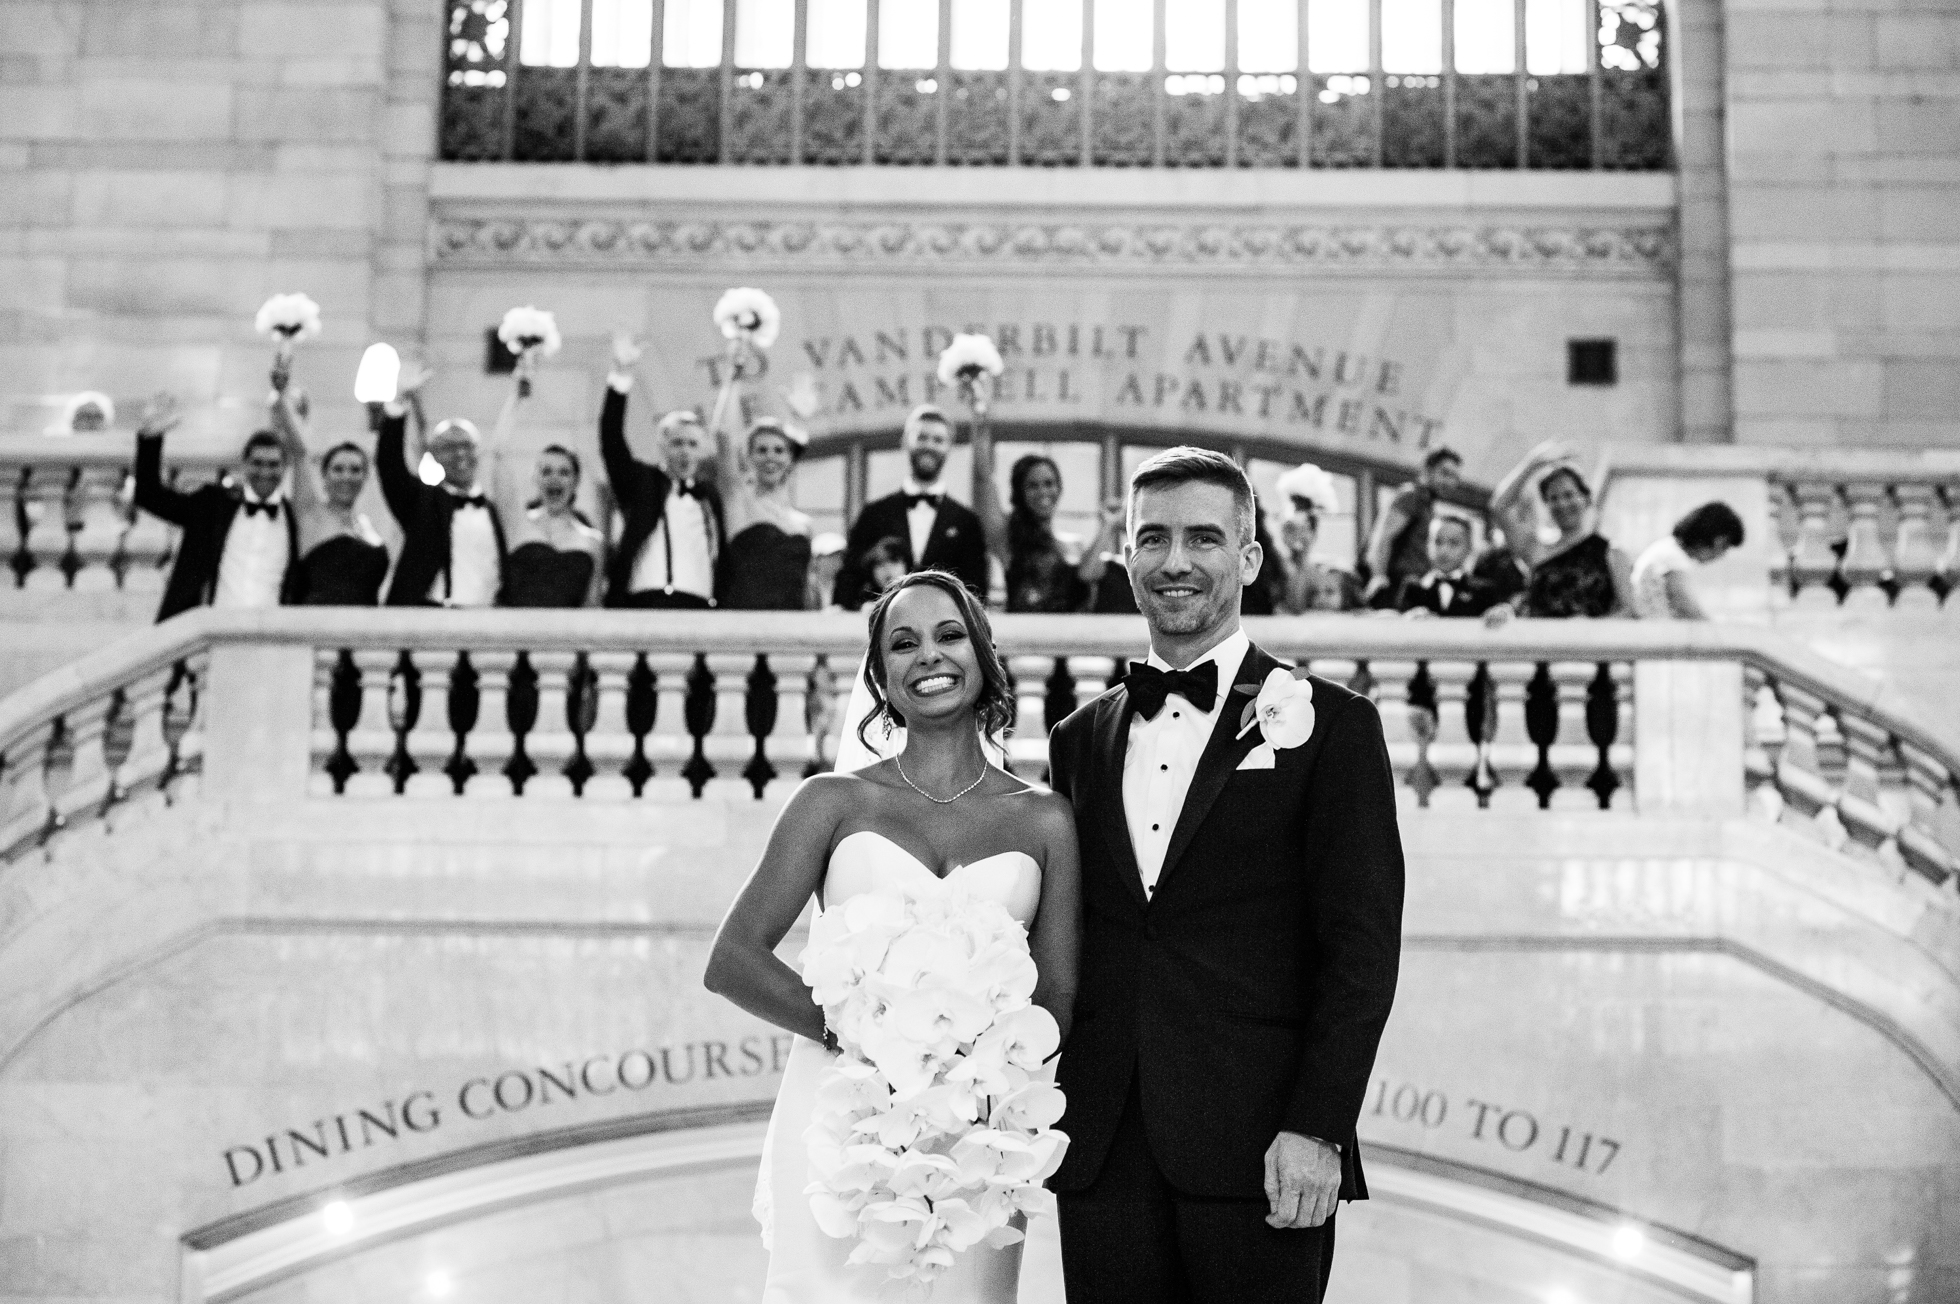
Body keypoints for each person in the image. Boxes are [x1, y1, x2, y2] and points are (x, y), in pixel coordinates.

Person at [1045, 446, 1404, 1304]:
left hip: (1266, 1150)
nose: (1176, 562)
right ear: (1124, 556)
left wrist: (1318, 1125)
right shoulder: (1076, 740)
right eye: (1153, 538)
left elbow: (1361, 952)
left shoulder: (1334, 727)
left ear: (1249, 557)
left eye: (1204, 538)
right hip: (1103, 1154)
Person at [703, 570, 1081, 1302]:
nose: (928, 657)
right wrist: (862, 1035)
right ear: (880, 676)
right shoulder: (832, 802)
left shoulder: (1045, 820)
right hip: (844, 1121)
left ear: (983, 653)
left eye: (949, 635)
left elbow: (1059, 996)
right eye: (903, 644)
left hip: (979, 1136)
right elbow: (733, 959)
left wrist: (976, 1067)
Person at [132, 394, 301, 622]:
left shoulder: (296, 518)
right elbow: (149, 496)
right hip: (213, 635)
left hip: (273, 637)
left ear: (285, 467)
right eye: (257, 463)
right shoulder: (211, 505)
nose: (265, 472)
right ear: (244, 464)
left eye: (273, 464)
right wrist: (150, 440)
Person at [600, 334, 725, 609]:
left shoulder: (708, 496)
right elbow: (611, 442)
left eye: (692, 444)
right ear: (663, 447)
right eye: (677, 443)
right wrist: (620, 378)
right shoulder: (643, 483)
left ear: (701, 449)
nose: (684, 451)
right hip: (645, 602)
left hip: (701, 607)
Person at [375, 364, 508, 607]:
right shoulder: (422, 502)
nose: (460, 455)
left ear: (478, 452)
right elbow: (390, 467)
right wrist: (397, 406)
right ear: (433, 456)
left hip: (488, 624)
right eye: (449, 447)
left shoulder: (493, 510)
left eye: (467, 446)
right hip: (432, 620)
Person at [832, 405, 988, 609]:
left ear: (949, 446)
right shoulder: (873, 514)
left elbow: (975, 591)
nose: (929, 445)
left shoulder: (967, 521)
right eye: (921, 437)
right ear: (905, 441)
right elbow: (849, 578)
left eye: (938, 440)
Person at [486, 354, 605, 608]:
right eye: (546, 471)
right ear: (535, 479)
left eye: (564, 472)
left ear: (575, 483)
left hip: (566, 640)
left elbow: (592, 604)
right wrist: (516, 398)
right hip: (517, 633)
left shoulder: (592, 540)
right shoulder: (517, 522)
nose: (554, 478)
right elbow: (498, 455)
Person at [267, 365, 389, 606]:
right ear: (324, 476)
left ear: (365, 477)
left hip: (365, 633)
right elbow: (301, 453)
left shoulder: (367, 525)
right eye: (338, 469)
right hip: (318, 630)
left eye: (355, 470)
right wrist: (281, 397)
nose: (347, 476)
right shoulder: (310, 512)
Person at [1489, 439, 1634, 618]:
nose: (1562, 504)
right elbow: (1500, 508)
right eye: (1553, 498)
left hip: (1587, 643)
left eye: (1569, 495)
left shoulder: (1611, 553)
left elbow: (1629, 611)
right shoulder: (1537, 548)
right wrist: (1533, 463)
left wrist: (1591, 629)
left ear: (1586, 498)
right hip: (1539, 642)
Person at [971, 423, 1093, 613]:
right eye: (1033, 486)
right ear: (1020, 494)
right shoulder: (1009, 540)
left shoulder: (1075, 544)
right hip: (1023, 637)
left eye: (1049, 483)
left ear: (1059, 488)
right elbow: (983, 479)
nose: (1043, 491)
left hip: (1072, 639)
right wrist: (980, 420)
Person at [715, 414, 815, 610]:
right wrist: (731, 383)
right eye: (762, 450)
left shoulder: (803, 523)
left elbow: (806, 585)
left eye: (779, 450)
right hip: (745, 619)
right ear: (749, 457)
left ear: (790, 458)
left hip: (792, 623)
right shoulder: (739, 502)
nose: (771, 456)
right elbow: (721, 433)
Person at [1361, 446, 1462, 607]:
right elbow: (1382, 538)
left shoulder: (1426, 503)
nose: (1450, 482)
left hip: (1412, 589)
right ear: (1428, 470)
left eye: (1455, 477)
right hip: (1395, 589)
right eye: (1445, 474)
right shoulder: (1411, 496)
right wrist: (1378, 578)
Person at [1271, 463, 1360, 614]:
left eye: (1303, 529)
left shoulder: (1331, 573)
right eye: (1290, 528)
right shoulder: (1273, 569)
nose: (1296, 536)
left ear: (1313, 533)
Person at [1633, 501, 1746, 620]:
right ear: (1710, 535)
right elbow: (1687, 607)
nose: (1721, 555)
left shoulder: (1667, 549)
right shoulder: (1671, 556)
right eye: (1723, 546)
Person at [1394, 514, 1497, 619]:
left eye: (1454, 543)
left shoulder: (1483, 591)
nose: (1444, 551)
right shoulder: (1413, 587)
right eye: (1437, 542)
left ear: (1469, 548)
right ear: (1426, 545)